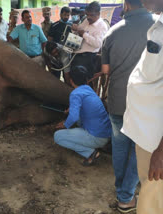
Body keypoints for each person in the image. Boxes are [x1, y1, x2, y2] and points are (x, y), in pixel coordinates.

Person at [95, 0, 155, 212]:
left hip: (118, 101)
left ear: (126, 6)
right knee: (136, 152)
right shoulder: (157, 27)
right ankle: (125, 197)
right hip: (146, 106)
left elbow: (105, 70)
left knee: (120, 148)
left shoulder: (112, 32)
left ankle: (123, 193)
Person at [121, 0, 163, 212]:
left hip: (157, 143)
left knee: (153, 203)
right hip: (148, 136)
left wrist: (162, 152)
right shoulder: (158, 24)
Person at [54, 66, 111, 166]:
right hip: (105, 134)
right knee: (79, 117)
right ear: (86, 79)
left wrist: (65, 125)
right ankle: (93, 144)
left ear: (71, 80)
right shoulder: (89, 90)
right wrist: (72, 110)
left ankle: (90, 153)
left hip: (96, 137)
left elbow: (73, 117)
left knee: (58, 136)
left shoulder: (75, 94)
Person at [71, 1, 108, 80]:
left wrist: (84, 34)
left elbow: (98, 43)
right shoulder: (86, 21)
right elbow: (79, 30)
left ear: (98, 14)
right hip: (76, 55)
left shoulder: (102, 26)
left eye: (92, 15)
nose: (88, 17)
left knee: (84, 83)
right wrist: (75, 29)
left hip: (87, 58)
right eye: (87, 14)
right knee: (74, 81)